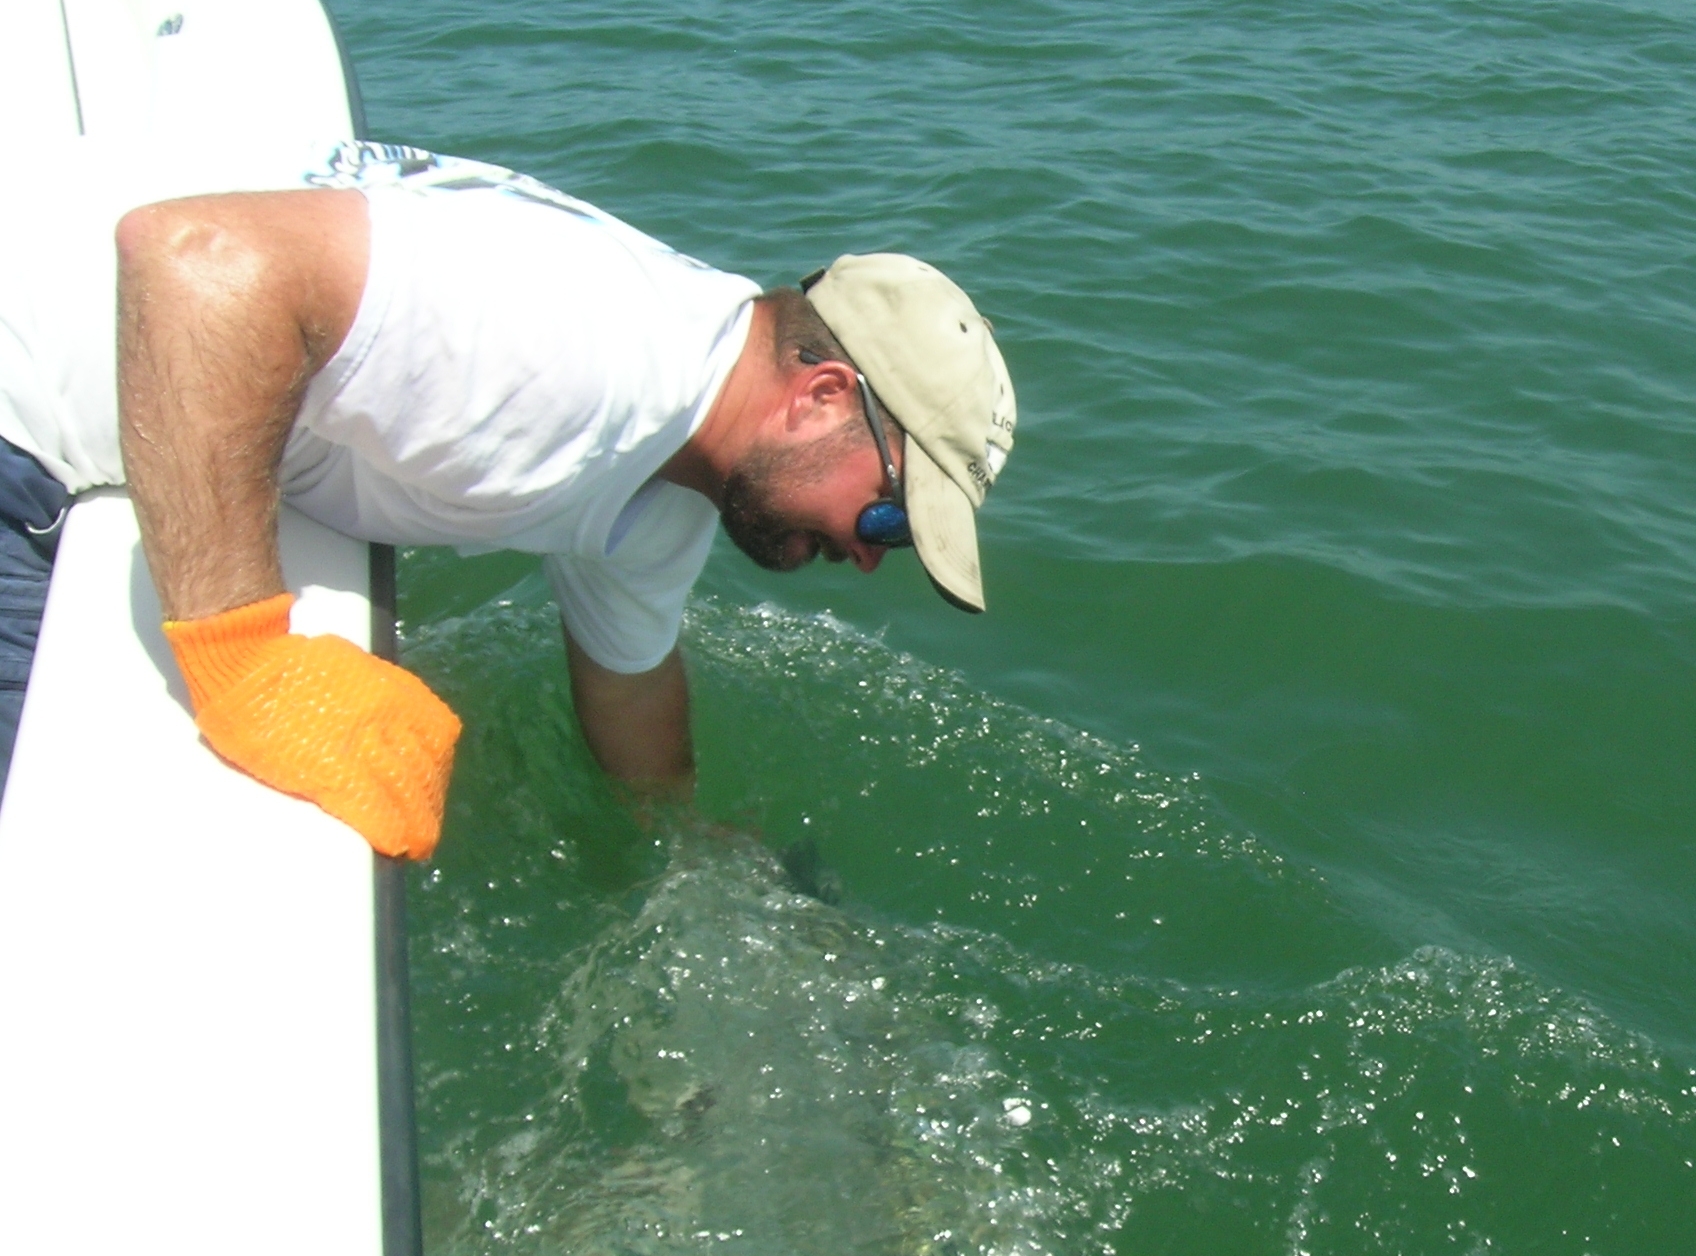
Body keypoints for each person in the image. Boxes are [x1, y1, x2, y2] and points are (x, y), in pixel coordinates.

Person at [0, 142, 1017, 857]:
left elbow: (630, 682)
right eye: (886, 514)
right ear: (821, 398)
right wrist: (244, 656)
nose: (873, 553)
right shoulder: (589, 358)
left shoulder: (670, 477)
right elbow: (196, 261)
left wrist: (679, 844)